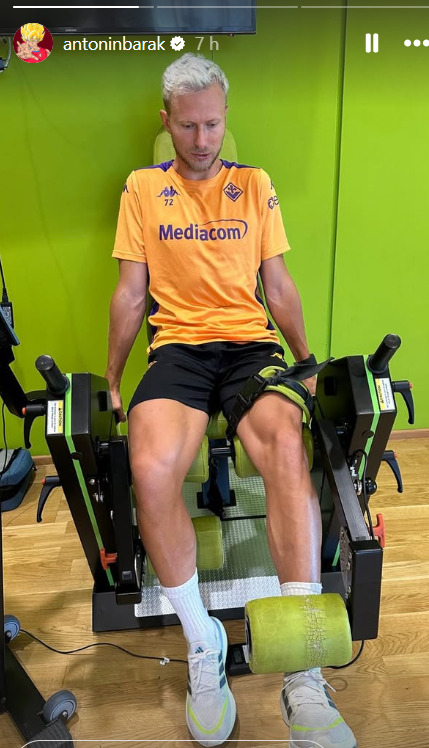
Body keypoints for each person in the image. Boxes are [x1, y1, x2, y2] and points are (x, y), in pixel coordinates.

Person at [106, 53, 357, 748]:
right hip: (178, 350)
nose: (201, 139)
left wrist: (304, 361)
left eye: (213, 124)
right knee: (150, 468)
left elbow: (277, 283)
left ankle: (303, 670)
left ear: (225, 118)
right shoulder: (142, 189)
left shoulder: (254, 185)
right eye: (188, 126)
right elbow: (130, 294)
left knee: (285, 447)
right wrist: (114, 379)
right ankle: (202, 640)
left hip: (249, 346)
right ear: (166, 121)